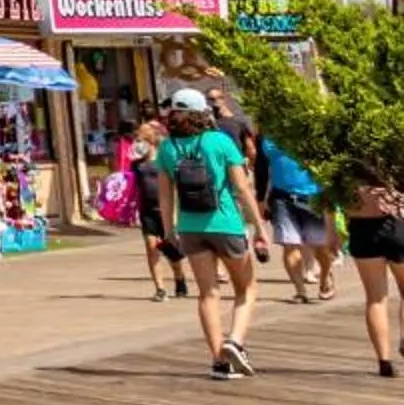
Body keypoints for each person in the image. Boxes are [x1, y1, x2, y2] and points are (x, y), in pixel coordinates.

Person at [153, 86, 270, 380]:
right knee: (247, 287)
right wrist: (259, 226)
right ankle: (235, 341)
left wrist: (169, 231)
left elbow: (165, 197)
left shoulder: (167, 148)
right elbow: (243, 188)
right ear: (203, 112)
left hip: (191, 228)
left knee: (207, 293)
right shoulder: (220, 141)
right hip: (226, 223)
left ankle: (219, 360)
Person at [260, 136, 340, 303]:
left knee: (321, 247)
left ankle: (326, 276)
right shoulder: (268, 135)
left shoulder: (310, 130)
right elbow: (262, 167)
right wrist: (262, 199)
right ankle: (300, 290)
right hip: (282, 197)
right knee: (289, 244)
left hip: (313, 195)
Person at [125, 119, 191, 302]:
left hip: (165, 209)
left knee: (171, 249)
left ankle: (179, 277)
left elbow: (175, 186)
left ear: (152, 137)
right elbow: (131, 185)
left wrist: (176, 213)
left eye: (141, 134)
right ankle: (160, 288)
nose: (137, 137)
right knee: (151, 247)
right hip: (146, 210)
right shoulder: (136, 162)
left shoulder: (164, 158)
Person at [344, 175, 403, 379]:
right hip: (395, 223)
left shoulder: (338, 162)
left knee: (375, 298)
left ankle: (384, 360)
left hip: (361, 227)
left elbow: (328, 200)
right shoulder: (390, 152)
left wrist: (332, 232)